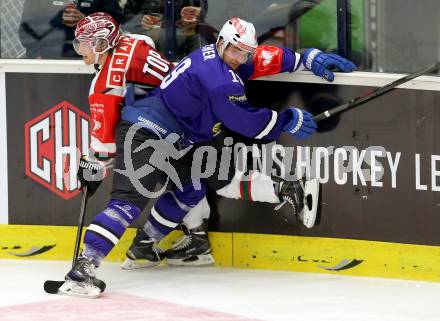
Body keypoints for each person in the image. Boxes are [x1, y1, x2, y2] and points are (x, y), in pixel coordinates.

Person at [122, 17, 356, 266]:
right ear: (222, 42)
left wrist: (302, 59)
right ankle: (282, 190)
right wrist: (287, 119)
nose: (239, 59)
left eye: (245, 53)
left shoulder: (218, 54)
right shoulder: (219, 79)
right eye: (236, 51)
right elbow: (247, 122)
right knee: (204, 183)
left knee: (195, 186)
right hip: (177, 134)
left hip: (184, 133)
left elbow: (258, 59)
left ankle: (164, 244)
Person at [60, 12, 213, 298]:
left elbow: (104, 145)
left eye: (85, 43)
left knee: (127, 200)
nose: (80, 49)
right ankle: (145, 247)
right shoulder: (136, 40)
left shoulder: (104, 85)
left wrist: (91, 165)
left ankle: (84, 267)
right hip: (186, 124)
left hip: (148, 129)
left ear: (104, 43)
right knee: (189, 187)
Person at [122, 0, 208, 58]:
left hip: (185, 31)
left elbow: (201, 8)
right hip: (148, 35)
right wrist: (140, 20)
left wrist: (198, 12)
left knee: (203, 47)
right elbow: (126, 17)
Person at [49, 0, 124, 57]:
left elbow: (115, 21)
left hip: (96, 50)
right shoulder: (71, 4)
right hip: (69, 51)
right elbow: (54, 24)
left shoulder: (105, 2)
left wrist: (86, 19)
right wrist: (64, 17)